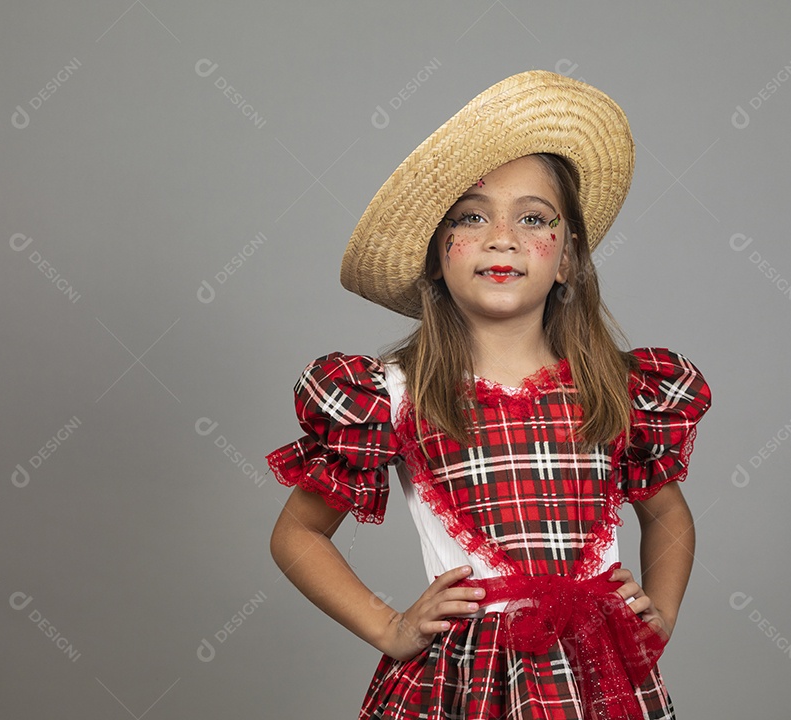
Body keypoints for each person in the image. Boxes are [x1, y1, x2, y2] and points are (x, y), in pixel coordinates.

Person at [265, 70, 711, 720]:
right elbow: (298, 534)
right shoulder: (391, 395)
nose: (502, 236)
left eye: (533, 219)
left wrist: (660, 613)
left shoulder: (618, 390)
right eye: (472, 218)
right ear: (437, 255)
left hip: (595, 679)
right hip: (466, 685)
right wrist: (391, 627)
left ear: (566, 259)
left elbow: (669, 516)